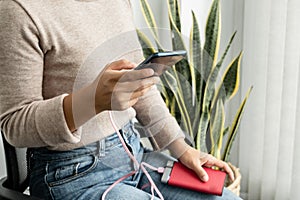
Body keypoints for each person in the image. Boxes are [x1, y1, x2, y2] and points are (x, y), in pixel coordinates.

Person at [0, 0, 241, 199]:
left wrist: (182, 148)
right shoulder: (18, 10)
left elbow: (141, 85)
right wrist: (91, 101)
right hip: (70, 175)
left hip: (135, 154)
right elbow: (14, 125)